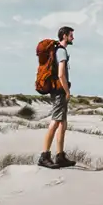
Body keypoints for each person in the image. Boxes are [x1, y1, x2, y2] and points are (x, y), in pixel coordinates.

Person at [37, 26, 77, 169]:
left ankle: (60, 156)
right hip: (59, 91)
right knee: (55, 122)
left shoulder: (59, 50)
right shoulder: (61, 51)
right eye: (71, 35)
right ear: (64, 36)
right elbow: (61, 74)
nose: (73, 38)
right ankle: (44, 156)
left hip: (58, 90)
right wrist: (67, 91)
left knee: (62, 123)